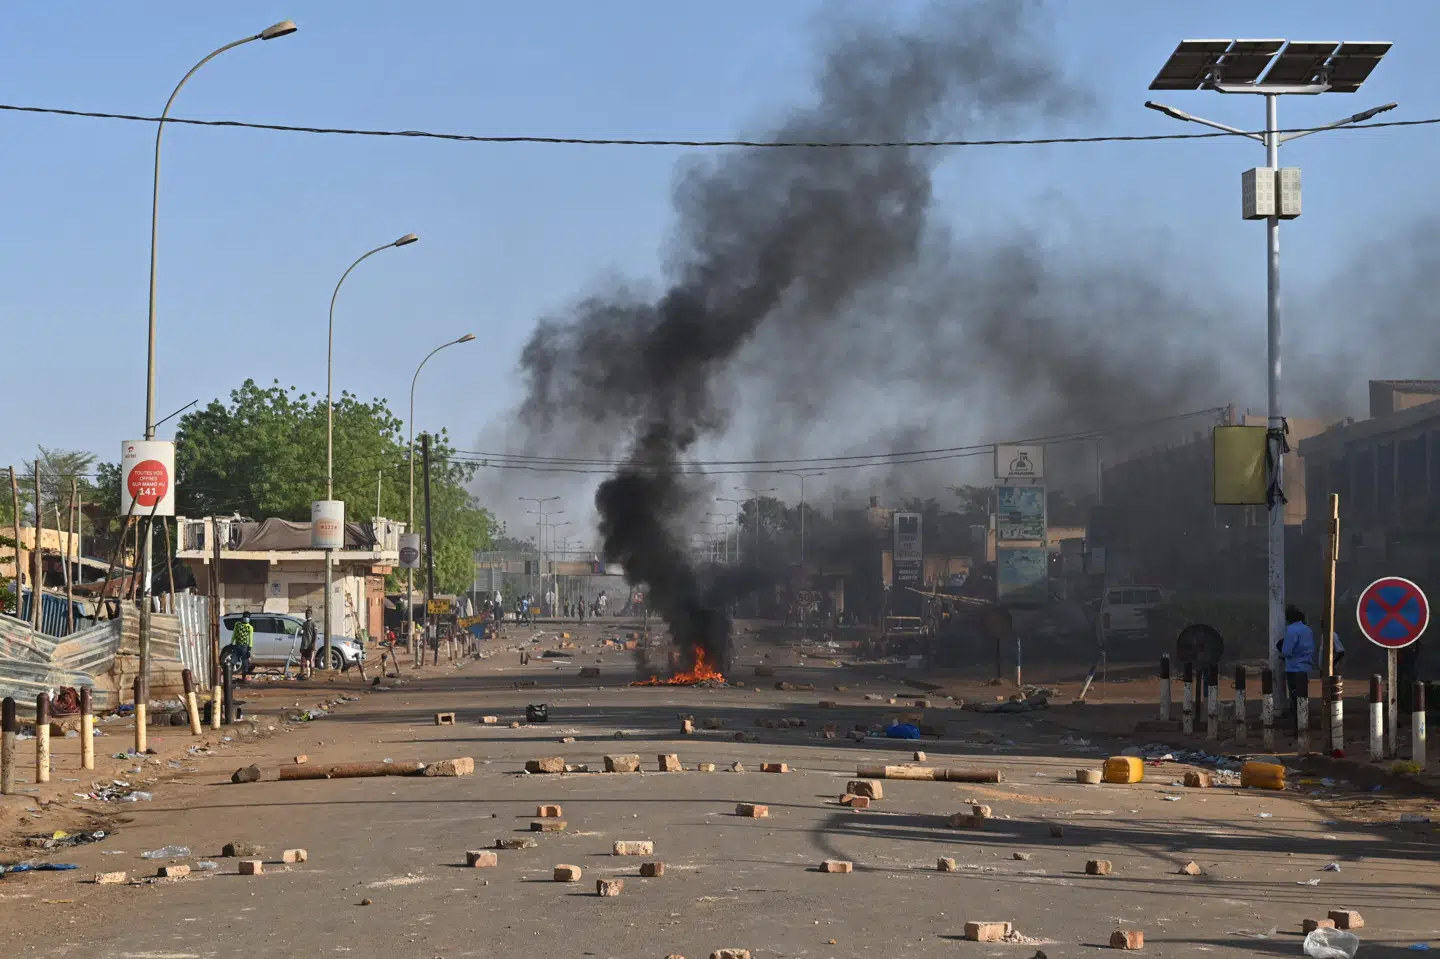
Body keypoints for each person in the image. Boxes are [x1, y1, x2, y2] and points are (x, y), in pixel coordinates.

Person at [1278, 604, 1316, 732]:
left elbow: (1286, 651)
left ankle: (1297, 729)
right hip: (1305, 669)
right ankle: (1304, 726)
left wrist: (1282, 652)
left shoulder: (1291, 630)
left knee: (1295, 701)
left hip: (1293, 669)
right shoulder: (1307, 629)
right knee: (1303, 699)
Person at [232, 610, 256, 679]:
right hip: (237, 645)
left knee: (245, 662)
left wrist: (249, 649)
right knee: (233, 660)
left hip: (245, 646)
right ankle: (229, 676)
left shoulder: (250, 627)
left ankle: (243, 677)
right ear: (242, 617)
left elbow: (250, 639)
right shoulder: (237, 624)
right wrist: (231, 643)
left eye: (248, 617)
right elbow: (234, 634)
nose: (246, 618)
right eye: (245, 617)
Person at [299, 606, 318, 676]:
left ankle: (312, 674)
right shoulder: (304, 624)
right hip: (304, 645)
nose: (307, 614)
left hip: (310, 645)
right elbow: (302, 634)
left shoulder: (313, 623)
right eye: (306, 613)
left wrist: (313, 643)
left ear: (311, 614)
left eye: (309, 613)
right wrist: (301, 646)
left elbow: (315, 634)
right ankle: (302, 673)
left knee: (311, 660)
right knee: (303, 661)